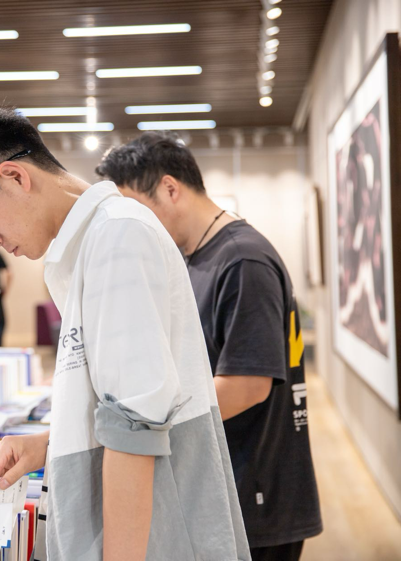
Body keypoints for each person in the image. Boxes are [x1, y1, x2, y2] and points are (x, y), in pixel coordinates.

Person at [0, 105, 249, 561]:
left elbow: (133, 427)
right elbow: (121, 396)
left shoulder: (117, 237)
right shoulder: (91, 244)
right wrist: (49, 443)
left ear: (15, 176)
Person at [96, 132, 322, 561]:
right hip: (222, 484)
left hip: (256, 495)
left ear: (169, 188)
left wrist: (144, 424)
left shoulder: (242, 260)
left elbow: (246, 386)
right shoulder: (195, 257)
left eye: (134, 209)